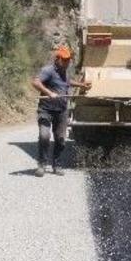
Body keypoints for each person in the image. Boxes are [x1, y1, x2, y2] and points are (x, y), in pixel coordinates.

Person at [31, 46, 91, 177]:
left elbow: (67, 82)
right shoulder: (48, 71)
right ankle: (42, 165)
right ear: (57, 59)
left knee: (61, 139)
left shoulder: (64, 72)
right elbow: (35, 82)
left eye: (68, 60)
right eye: (64, 60)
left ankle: (56, 165)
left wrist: (82, 85)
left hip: (62, 111)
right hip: (46, 110)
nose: (67, 62)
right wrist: (49, 93)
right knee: (44, 136)